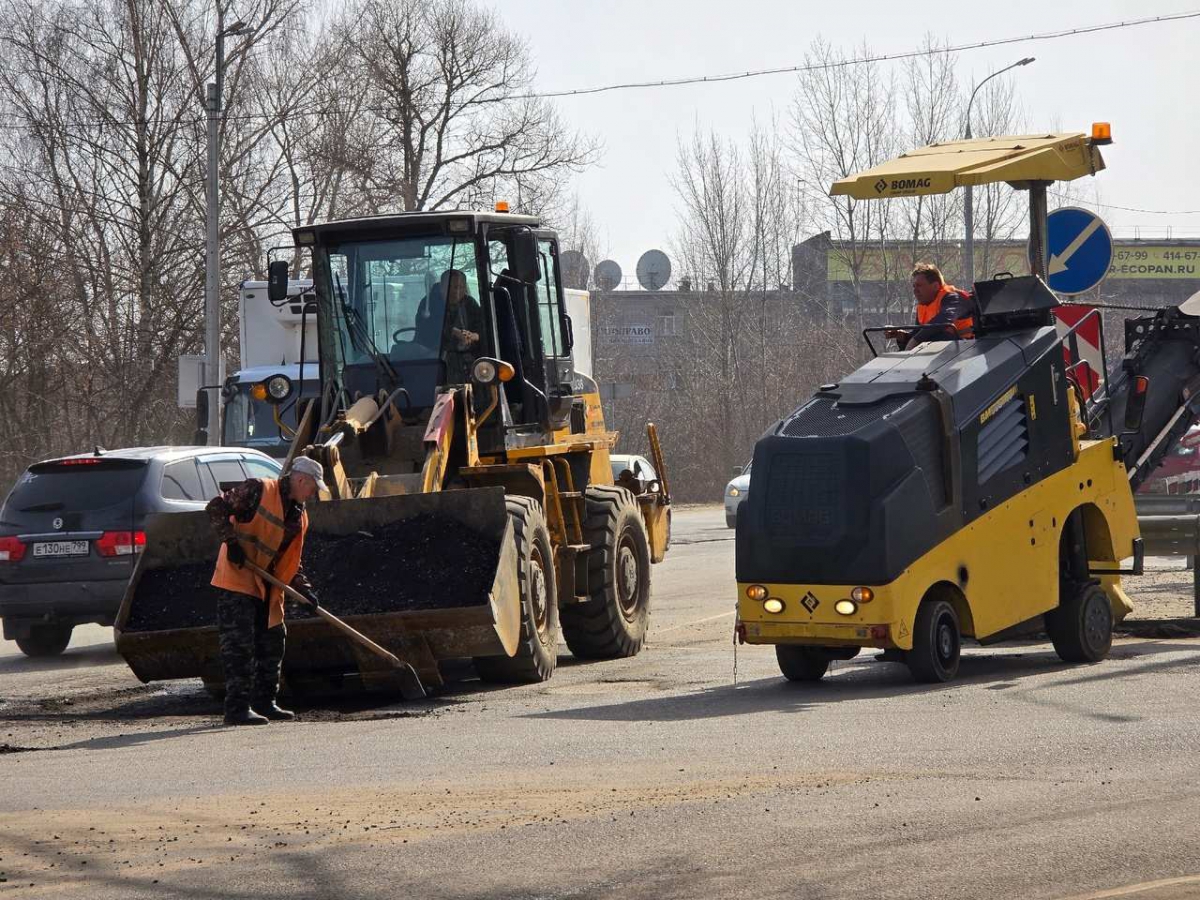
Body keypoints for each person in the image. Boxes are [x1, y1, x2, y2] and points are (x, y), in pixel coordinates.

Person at [205, 456, 327, 726]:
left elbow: (291, 560)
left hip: (268, 586)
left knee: (273, 642)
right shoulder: (258, 489)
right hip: (237, 580)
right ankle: (236, 709)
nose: (314, 493)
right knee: (239, 647)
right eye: (313, 487)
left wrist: (304, 590)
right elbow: (215, 507)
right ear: (300, 480)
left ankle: (265, 702)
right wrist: (230, 541)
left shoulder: (299, 515)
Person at [890, 263, 975, 350]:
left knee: (937, 334)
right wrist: (903, 337)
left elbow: (943, 320)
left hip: (967, 349)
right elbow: (919, 334)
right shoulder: (922, 307)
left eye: (919, 286)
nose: (915, 291)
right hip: (942, 354)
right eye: (914, 286)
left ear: (935, 286)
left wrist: (915, 341)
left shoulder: (953, 298)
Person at [438, 268, 484, 382]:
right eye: (452, 287)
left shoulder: (470, 303)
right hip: (436, 361)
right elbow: (428, 329)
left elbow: (483, 329)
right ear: (441, 287)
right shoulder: (429, 304)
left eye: (460, 287)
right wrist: (454, 332)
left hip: (468, 360)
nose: (456, 292)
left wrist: (473, 336)